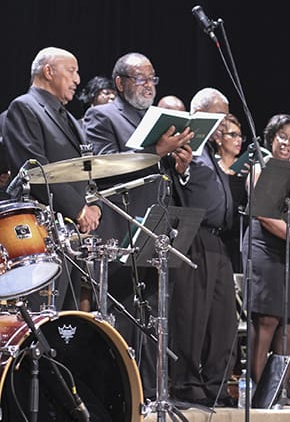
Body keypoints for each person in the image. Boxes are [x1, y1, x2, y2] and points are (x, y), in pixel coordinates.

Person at [83, 52, 193, 399]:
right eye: (140, 79)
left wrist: (180, 165)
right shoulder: (102, 115)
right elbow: (105, 170)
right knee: (122, 317)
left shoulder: (157, 120)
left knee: (155, 318)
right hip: (120, 230)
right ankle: (118, 397)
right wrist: (157, 152)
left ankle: (148, 395)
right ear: (120, 83)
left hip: (155, 231)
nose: (148, 86)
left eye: (152, 79)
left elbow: (160, 177)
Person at [2, 47, 101, 310]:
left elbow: (85, 169)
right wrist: (79, 209)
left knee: (68, 322)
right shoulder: (25, 107)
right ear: (48, 71)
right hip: (40, 236)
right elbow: (34, 169)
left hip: (72, 237)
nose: (78, 79)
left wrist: (93, 205)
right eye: (72, 71)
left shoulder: (68, 117)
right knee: (42, 318)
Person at [168, 88, 238, 407]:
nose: (224, 122)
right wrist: (182, 172)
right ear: (202, 114)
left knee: (223, 316)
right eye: (219, 115)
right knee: (192, 313)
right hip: (193, 234)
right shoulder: (187, 144)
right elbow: (175, 179)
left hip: (217, 239)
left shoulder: (212, 151)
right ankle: (185, 382)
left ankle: (216, 382)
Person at [242, 114, 290, 385]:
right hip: (265, 248)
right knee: (267, 319)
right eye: (282, 137)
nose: (287, 143)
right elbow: (263, 213)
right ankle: (257, 387)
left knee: (289, 322)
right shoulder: (259, 168)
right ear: (271, 137)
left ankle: (279, 391)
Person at [213, 113, 247, 272]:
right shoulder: (211, 166)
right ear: (219, 138)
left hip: (238, 237)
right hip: (217, 236)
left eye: (240, 136)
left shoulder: (246, 169)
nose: (238, 140)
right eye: (233, 135)